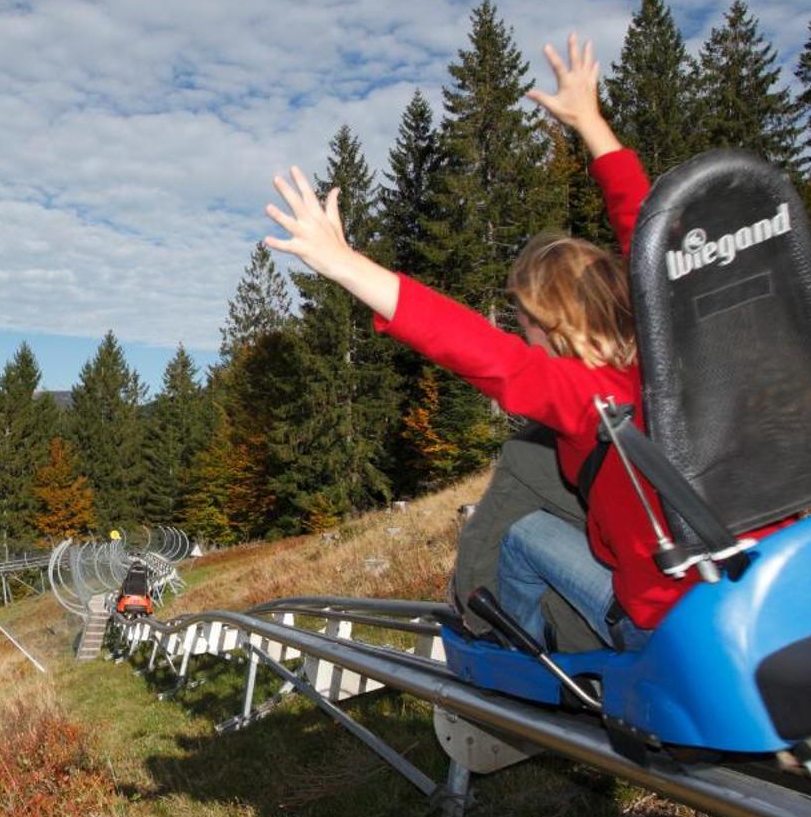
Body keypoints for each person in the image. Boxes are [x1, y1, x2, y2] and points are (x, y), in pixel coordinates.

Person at [262, 35, 680, 650]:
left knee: (523, 541)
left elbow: (469, 344)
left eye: (525, 323)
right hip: (763, 586)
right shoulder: (676, 345)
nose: (519, 335)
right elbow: (649, 232)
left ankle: (517, 668)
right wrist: (592, 124)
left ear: (550, 323)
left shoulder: (576, 393)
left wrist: (345, 263)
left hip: (670, 624)